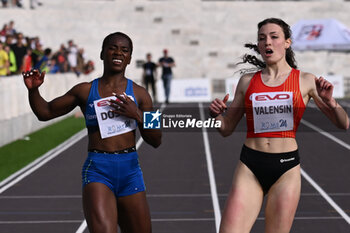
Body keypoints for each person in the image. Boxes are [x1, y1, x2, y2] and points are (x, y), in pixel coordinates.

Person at [209, 18, 349, 233]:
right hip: (250, 165)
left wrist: (331, 102)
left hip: (286, 169)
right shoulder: (247, 81)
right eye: (262, 38)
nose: (267, 42)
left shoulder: (305, 80)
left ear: (287, 42)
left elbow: (343, 124)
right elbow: (226, 129)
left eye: (274, 37)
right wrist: (217, 116)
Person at [23, 32, 162, 233]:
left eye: (125, 50)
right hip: (98, 170)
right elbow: (45, 112)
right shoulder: (84, 91)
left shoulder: (142, 94)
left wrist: (137, 115)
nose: (118, 53)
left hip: (130, 171)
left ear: (130, 58)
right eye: (112, 47)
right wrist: (33, 91)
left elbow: (157, 138)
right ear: (102, 54)